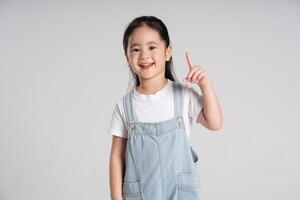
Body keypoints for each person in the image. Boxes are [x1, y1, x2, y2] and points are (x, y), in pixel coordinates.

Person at [108, 15, 223, 200]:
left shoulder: (183, 95)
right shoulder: (125, 106)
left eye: (152, 47)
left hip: (179, 194)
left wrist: (205, 85)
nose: (144, 55)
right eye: (136, 49)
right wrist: (116, 198)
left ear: (167, 52)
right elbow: (116, 157)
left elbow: (215, 122)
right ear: (127, 57)